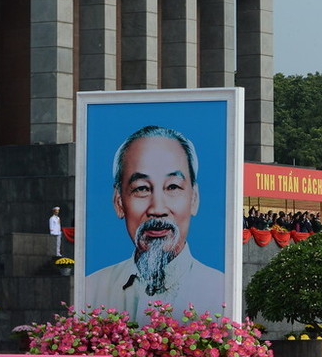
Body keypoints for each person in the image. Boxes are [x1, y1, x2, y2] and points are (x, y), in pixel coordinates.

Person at [85, 126, 225, 324]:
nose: (157, 209)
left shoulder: (220, 291)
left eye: (173, 187)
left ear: (194, 199)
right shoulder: (92, 289)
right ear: (118, 202)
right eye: (141, 188)